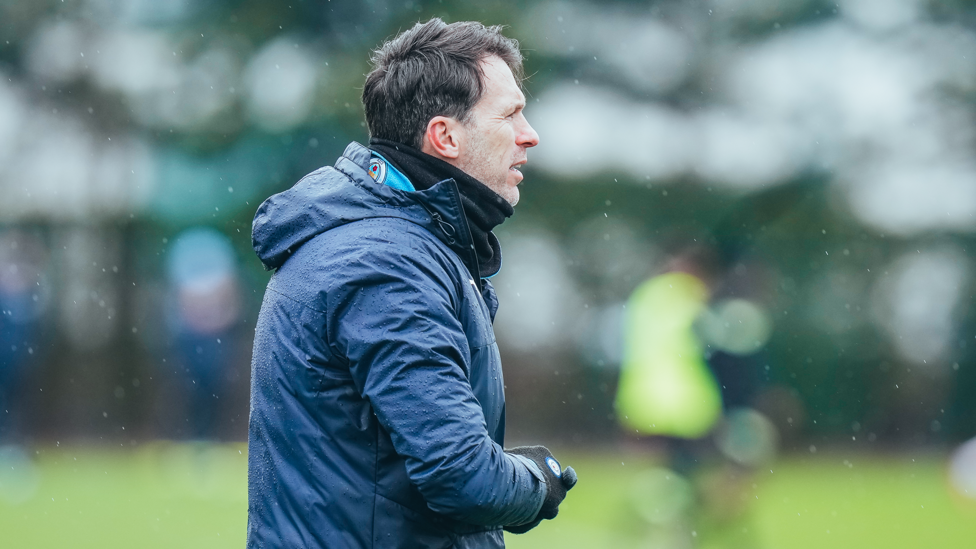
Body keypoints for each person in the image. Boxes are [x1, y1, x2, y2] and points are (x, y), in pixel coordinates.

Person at [247, 19, 576, 548]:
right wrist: (536, 483)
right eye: (510, 114)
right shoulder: (384, 263)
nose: (529, 133)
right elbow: (462, 476)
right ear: (444, 135)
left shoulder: (396, 243)